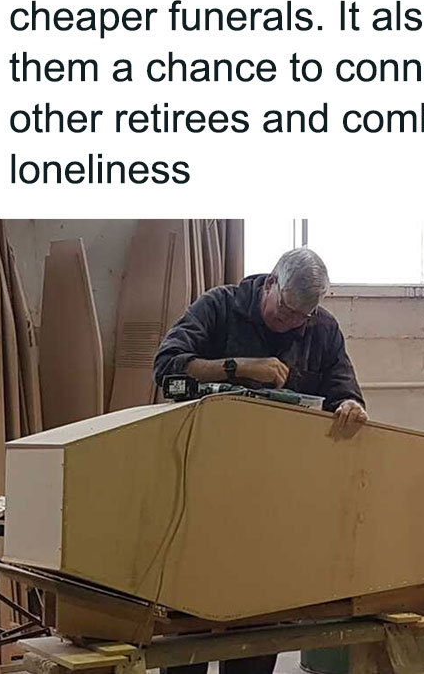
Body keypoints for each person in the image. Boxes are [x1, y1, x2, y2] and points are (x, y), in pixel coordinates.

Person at [154, 247, 367, 674]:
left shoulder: (320, 329)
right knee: (187, 625)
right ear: (270, 283)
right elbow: (167, 371)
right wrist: (239, 368)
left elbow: (344, 387)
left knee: (258, 623)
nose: (291, 323)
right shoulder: (219, 307)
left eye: (301, 318)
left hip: (273, 499)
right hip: (201, 492)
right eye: (286, 311)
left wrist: (349, 406)